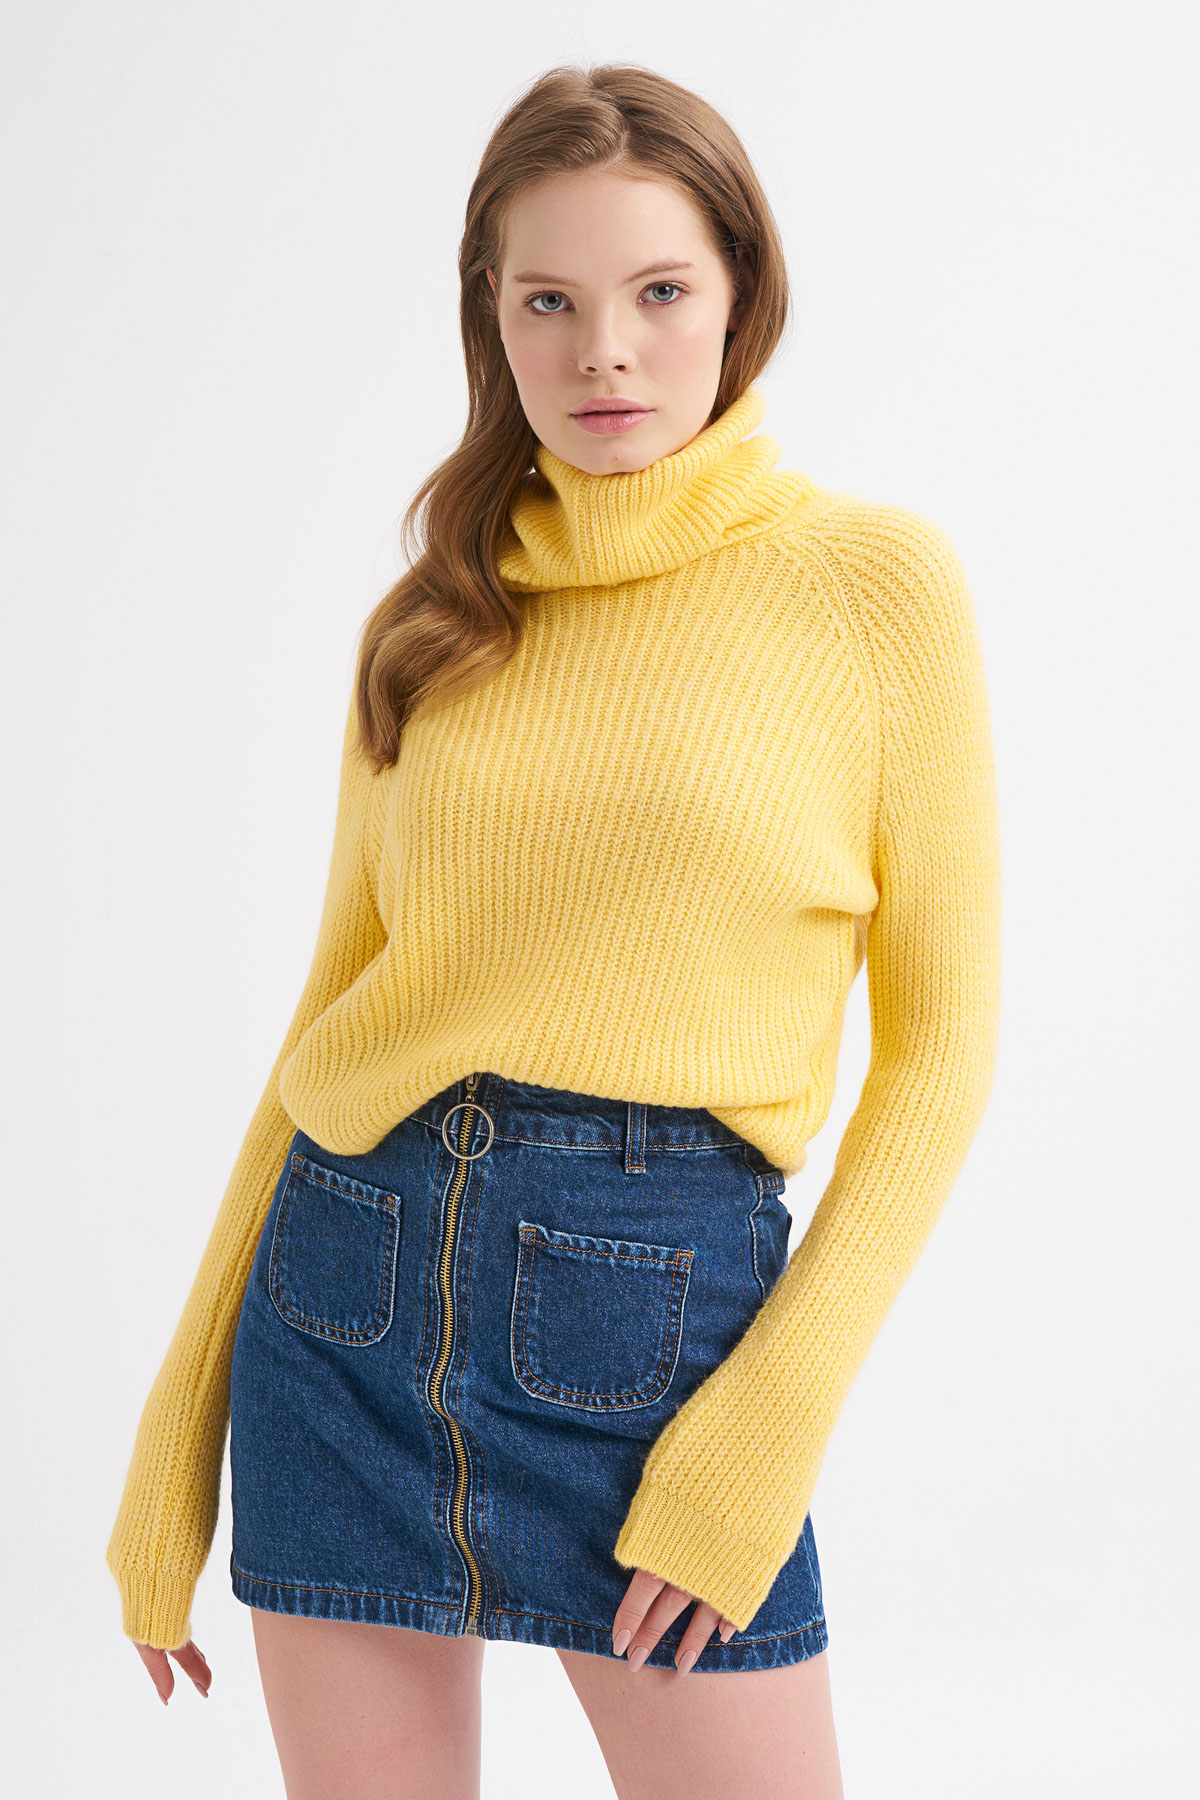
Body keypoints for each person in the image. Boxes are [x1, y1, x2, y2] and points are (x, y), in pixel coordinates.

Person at [105, 60, 1000, 1800]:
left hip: (657, 1337)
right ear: (491, 316)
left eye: (659, 292)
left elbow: (943, 1055)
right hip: (340, 1310)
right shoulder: (431, 618)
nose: (606, 353)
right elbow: (328, 1020)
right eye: (549, 302)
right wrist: (173, 1436)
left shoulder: (875, 591)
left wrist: (764, 1433)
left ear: (740, 296)